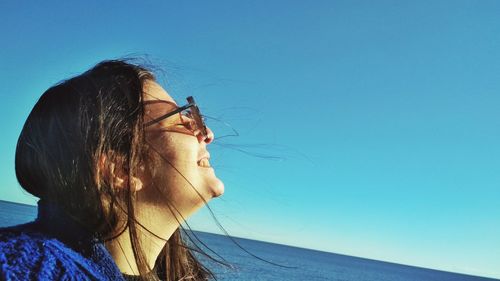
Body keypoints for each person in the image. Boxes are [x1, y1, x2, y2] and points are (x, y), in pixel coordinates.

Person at [0, 59, 225, 280]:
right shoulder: (23, 267)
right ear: (120, 169)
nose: (207, 133)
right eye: (181, 118)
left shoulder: (177, 273)